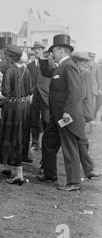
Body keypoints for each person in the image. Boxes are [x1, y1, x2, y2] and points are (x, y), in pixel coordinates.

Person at [37, 34, 101, 191]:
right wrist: (42, 58)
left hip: (66, 115)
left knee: (69, 145)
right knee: (48, 141)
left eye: (54, 50)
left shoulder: (69, 66)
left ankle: (73, 182)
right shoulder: (61, 65)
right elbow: (47, 72)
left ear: (62, 50)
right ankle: (50, 174)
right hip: (57, 115)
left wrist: (67, 113)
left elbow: (75, 92)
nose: (52, 53)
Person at [0, 44, 32, 185]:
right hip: (25, 107)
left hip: (13, 108)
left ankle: (19, 174)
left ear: (10, 57)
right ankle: (12, 168)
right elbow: (30, 90)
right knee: (21, 137)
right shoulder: (26, 70)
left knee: (12, 137)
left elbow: (5, 92)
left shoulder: (9, 71)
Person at [27, 41, 51, 152]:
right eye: (35, 49)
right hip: (34, 96)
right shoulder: (30, 65)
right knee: (34, 120)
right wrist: (30, 93)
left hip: (45, 95)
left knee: (46, 120)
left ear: (43, 50)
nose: (37, 51)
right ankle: (35, 143)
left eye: (39, 49)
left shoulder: (48, 63)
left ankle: (47, 142)